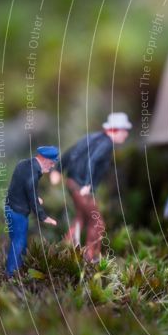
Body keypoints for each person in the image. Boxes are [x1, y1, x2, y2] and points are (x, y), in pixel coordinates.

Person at [50, 112, 132, 261]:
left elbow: (73, 150)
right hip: (81, 186)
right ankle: (91, 256)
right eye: (124, 131)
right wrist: (87, 184)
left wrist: (58, 169)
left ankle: (67, 247)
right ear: (114, 130)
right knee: (97, 222)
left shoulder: (93, 137)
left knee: (81, 216)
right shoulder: (106, 144)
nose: (126, 135)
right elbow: (92, 161)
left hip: (72, 182)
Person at [4, 146, 59, 276]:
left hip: (9, 206)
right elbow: (31, 191)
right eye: (51, 163)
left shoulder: (23, 163)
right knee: (19, 241)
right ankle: (11, 273)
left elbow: (18, 185)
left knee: (17, 240)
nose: (51, 166)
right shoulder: (33, 173)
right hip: (18, 212)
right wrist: (43, 216)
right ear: (44, 159)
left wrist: (32, 196)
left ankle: (20, 265)